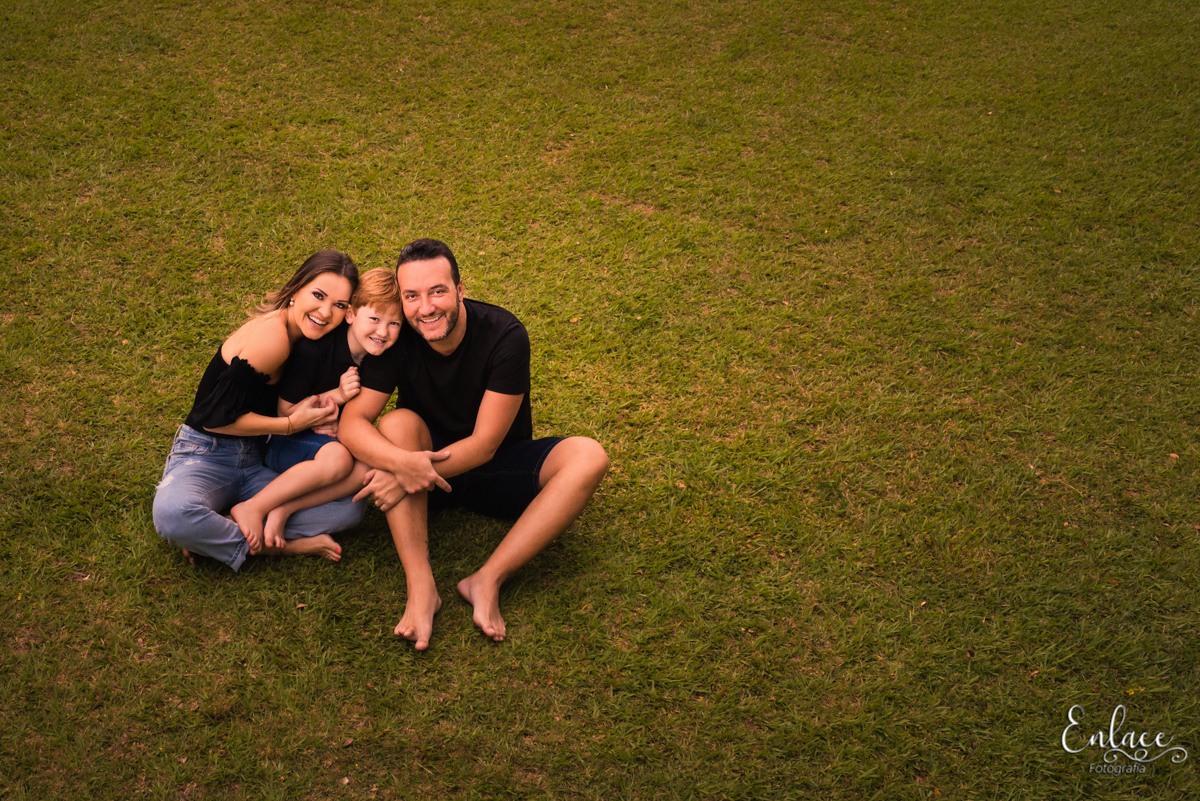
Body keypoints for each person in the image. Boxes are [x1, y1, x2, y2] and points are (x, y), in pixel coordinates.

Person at [339, 238, 609, 649]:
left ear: (460, 289)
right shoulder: (398, 335)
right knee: (397, 423)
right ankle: (421, 585)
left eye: (438, 291)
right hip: (426, 476)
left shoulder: (505, 336)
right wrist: (404, 465)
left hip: (496, 467)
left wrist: (404, 474)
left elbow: (484, 445)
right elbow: (353, 422)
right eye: (411, 295)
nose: (425, 307)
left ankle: (486, 580)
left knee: (589, 456)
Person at [152, 250, 365, 570]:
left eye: (339, 305)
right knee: (172, 515)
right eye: (318, 296)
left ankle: (220, 525)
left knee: (349, 508)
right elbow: (214, 421)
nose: (325, 312)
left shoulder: (312, 340)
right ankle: (279, 547)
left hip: (257, 457)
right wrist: (291, 425)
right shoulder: (273, 337)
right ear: (296, 290)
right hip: (207, 452)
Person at [229, 269, 404, 555]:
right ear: (350, 315)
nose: (382, 332)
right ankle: (253, 507)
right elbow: (285, 412)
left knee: (363, 477)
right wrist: (336, 395)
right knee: (339, 458)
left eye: (394, 323)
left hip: (326, 446)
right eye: (374, 319)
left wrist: (342, 426)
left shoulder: (379, 359)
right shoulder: (314, 351)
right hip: (285, 442)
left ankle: (283, 508)